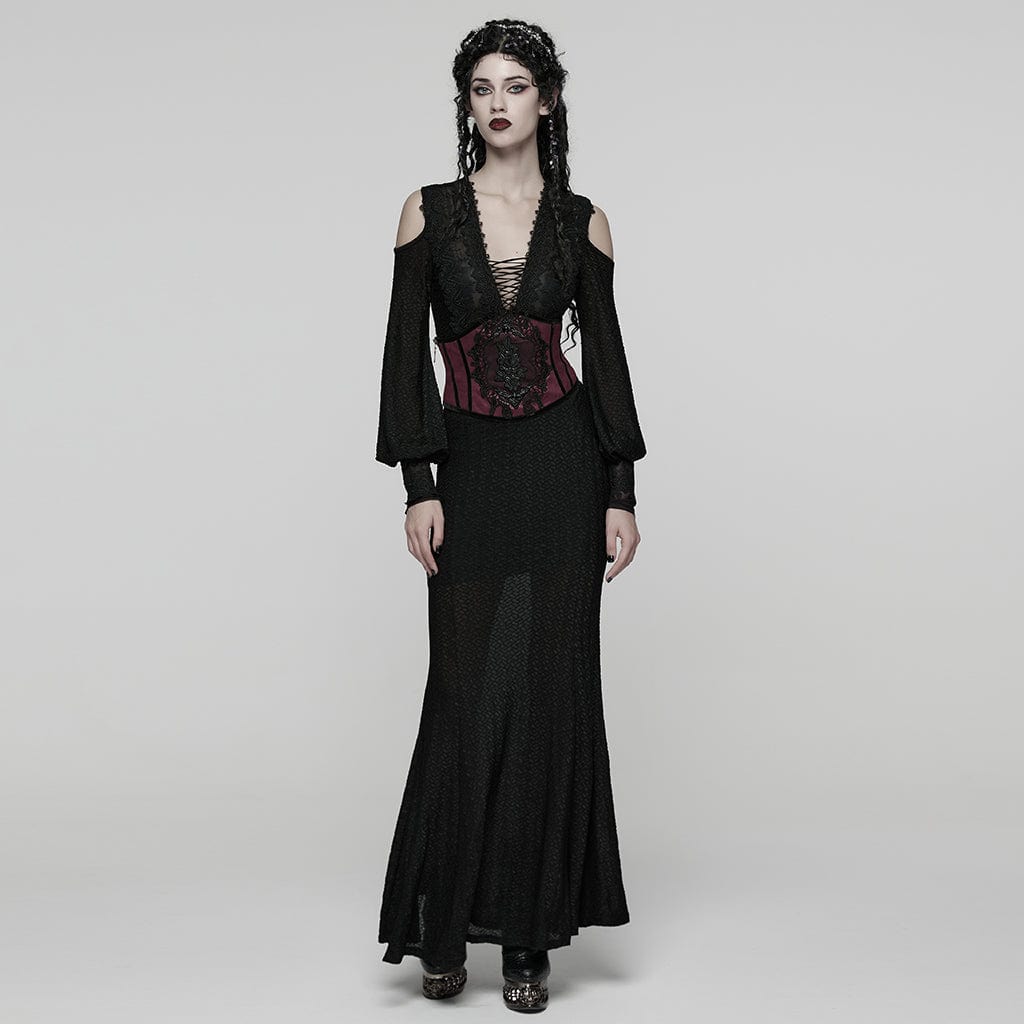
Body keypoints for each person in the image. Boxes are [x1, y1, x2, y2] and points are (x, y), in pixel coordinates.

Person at [374, 19, 647, 1013]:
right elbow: (403, 350)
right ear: (467, 104)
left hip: (563, 470)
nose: (497, 103)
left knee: (548, 696)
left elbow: (605, 359)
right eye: (482, 88)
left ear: (547, 100)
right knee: (465, 697)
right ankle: (444, 926)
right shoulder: (428, 211)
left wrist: (619, 493)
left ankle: (528, 938)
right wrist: (420, 483)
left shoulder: (583, 222)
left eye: (516, 85)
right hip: (470, 468)